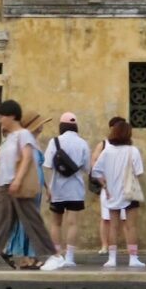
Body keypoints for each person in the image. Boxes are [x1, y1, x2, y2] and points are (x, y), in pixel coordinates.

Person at [0, 100, 67, 272]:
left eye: (2, 116)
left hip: (16, 187)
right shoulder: (10, 138)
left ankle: (55, 256)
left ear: (12, 116)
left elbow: (27, 158)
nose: (0, 120)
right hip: (5, 186)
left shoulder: (23, 135)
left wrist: (18, 180)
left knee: (32, 222)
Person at [91, 119, 146, 268]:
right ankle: (133, 258)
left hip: (112, 192)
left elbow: (95, 171)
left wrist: (105, 185)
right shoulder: (132, 150)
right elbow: (139, 173)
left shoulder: (107, 151)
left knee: (113, 226)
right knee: (131, 226)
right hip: (129, 192)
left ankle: (112, 258)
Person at [3, 113, 51, 269]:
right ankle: (25, 256)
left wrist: (47, 187)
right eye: (40, 123)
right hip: (27, 188)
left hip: (34, 188)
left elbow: (39, 169)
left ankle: (21, 254)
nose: (42, 126)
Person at [43, 112, 90, 269]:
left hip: (57, 189)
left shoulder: (54, 142)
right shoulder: (83, 143)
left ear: (61, 126)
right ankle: (70, 257)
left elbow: (48, 165)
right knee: (73, 223)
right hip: (76, 190)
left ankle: (57, 256)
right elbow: (87, 168)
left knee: (56, 223)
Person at [91, 116, 127, 254]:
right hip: (108, 187)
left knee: (125, 219)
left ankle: (126, 247)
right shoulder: (103, 145)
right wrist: (103, 180)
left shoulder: (128, 146)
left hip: (124, 187)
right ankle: (105, 245)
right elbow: (93, 162)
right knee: (106, 218)